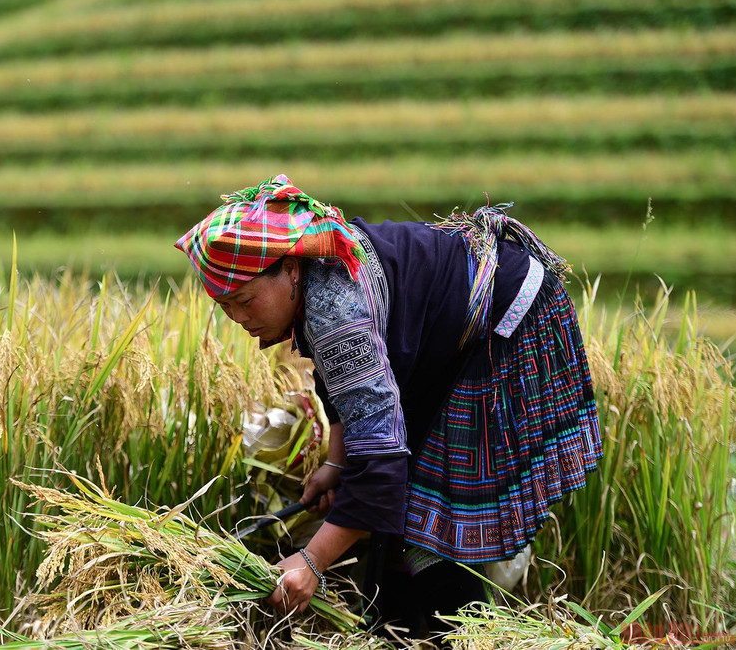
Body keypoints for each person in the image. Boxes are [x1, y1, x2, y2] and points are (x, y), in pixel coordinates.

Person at [174, 174, 602, 643]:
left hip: (505, 325)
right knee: (399, 512)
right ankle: (395, 633)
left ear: (291, 271)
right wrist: (337, 463)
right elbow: (343, 384)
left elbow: (381, 462)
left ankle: (474, 638)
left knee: (431, 522)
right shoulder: (317, 277)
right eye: (225, 306)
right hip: (455, 342)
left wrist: (312, 561)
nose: (239, 318)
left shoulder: (334, 309)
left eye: (245, 300)